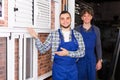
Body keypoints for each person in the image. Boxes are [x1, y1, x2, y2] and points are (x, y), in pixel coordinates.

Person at [27, 11, 85, 80]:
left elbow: (82, 52)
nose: (65, 21)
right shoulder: (53, 35)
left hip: (72, 70)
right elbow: (42, 50)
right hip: (58, 70)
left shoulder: (78, 35)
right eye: (62, 19)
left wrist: (68, 53)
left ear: (71, 20)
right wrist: (36, 37)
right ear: (59, 20)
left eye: (67, 18)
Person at [74, 8, 102, 80]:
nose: (86, 18)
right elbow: (73, 46)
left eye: (88, 15)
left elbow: (98, 45)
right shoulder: (76, 29)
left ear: (91, 17)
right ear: (82, 18)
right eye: (84, 16)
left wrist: (99, 60)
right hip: (79, 60)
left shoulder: (96, 29)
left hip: (91, 59)